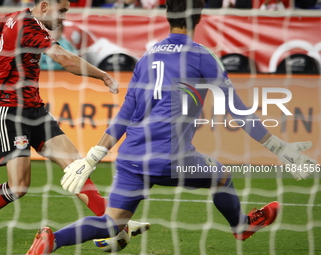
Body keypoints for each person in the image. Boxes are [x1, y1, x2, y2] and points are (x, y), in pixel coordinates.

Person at [26, 0, 317, 253]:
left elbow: (126, 113)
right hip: (173, 159)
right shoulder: (203, 56)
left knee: (112, 222)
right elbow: (238, 112)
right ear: (200, 15)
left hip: (132, 158)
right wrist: (280, 147)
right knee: (222, 176)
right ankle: (241, 226)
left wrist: (92, 157)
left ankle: (52, 241)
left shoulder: (147, 56)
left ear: (167, 13)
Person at [0, 0, 148, 240]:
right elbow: (66, 60)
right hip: (10, 111)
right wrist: (103, 75)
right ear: (44, 6)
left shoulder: (14, 18)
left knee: (76, 168)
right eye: (61, 11)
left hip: (35, 109)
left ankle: (116, 223)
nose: (63, 18)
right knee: (18, 186)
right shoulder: (28, 26)